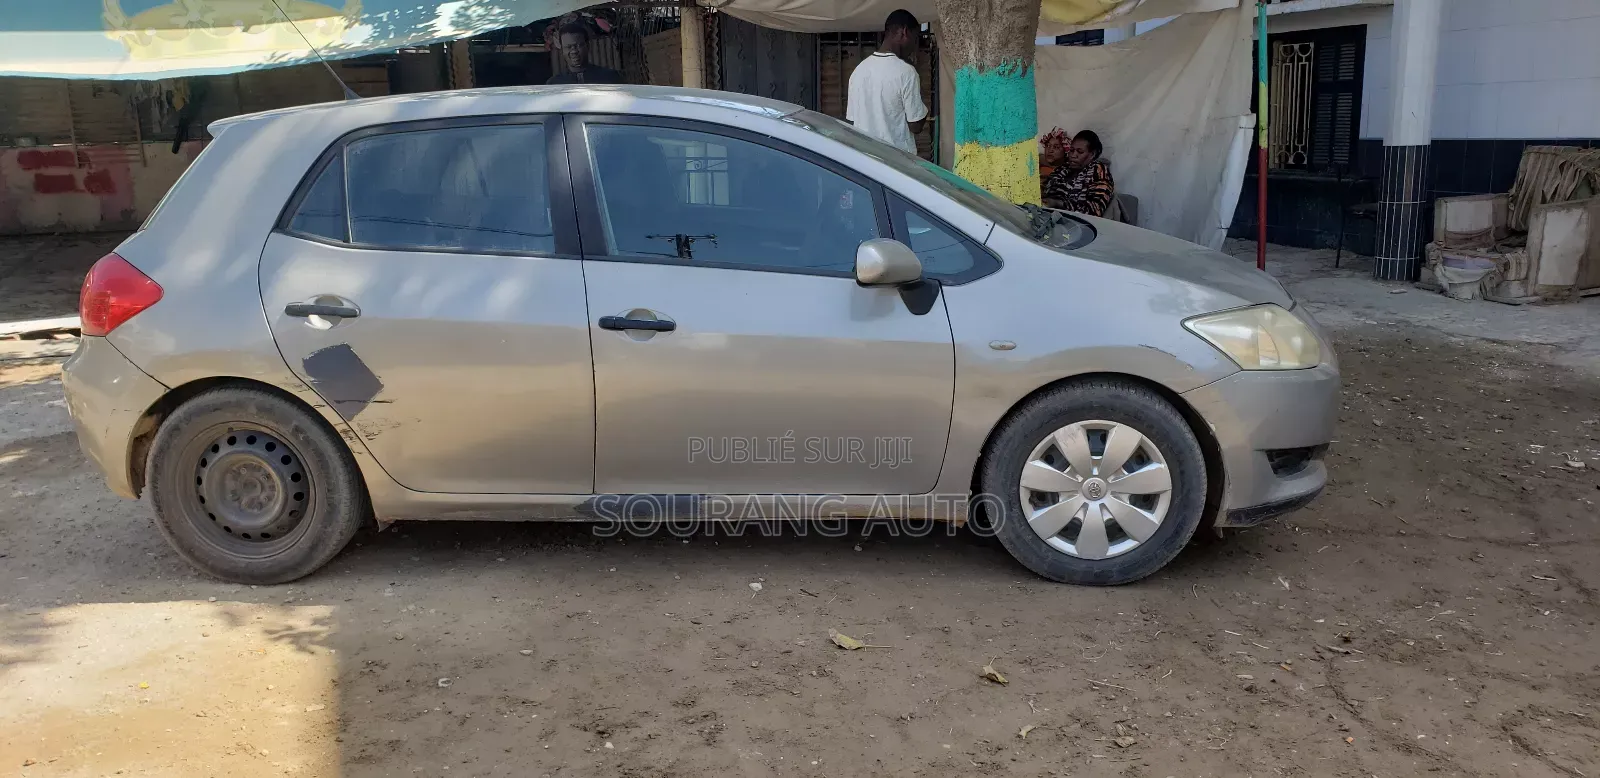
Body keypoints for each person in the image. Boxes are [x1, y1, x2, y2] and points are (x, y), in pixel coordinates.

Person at [845, 9, 928, 155]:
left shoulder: (858, 72)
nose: (915, 47)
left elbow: (852, 121)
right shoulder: (906, 72)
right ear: (904, 32)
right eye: (915, 39)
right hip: (897, 163)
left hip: (865, 161)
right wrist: (924, 108)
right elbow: (915, 125)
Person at [1042, 130, 1115, 217]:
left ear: (1092, 154)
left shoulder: (1098, 171)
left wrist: (1058, 203)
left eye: (1080, 152)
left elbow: (1095, 210)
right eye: (1071, 150)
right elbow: (1045, 192)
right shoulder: (1062, 169)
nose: (1073, 155)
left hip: (1077, 224)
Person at [545, 22, 622, 85]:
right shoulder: (553, 85)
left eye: (578, 46)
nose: (574, 51)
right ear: (562, 50)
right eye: (568, 47)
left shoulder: (610, 77)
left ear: (587, 45)